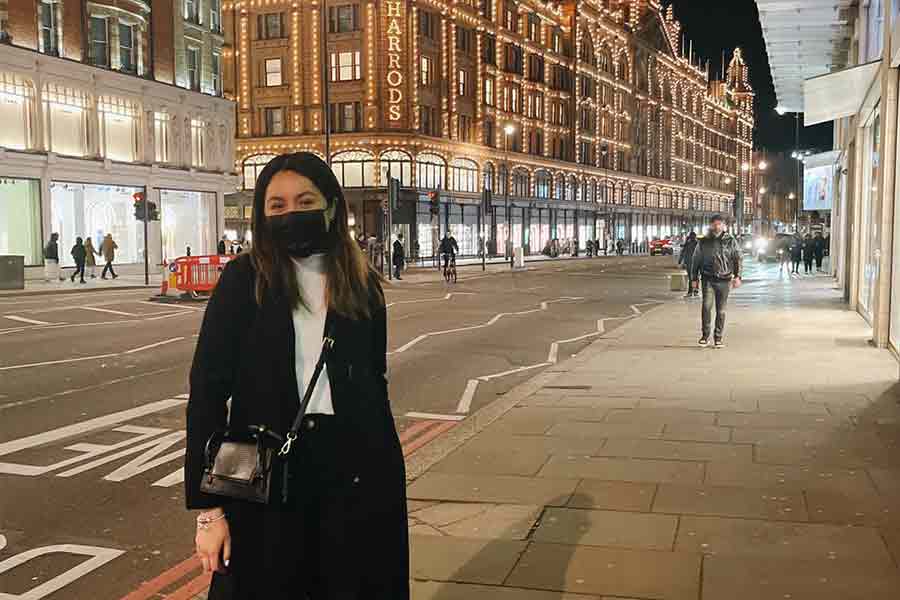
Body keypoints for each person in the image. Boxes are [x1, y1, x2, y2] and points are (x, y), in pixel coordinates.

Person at [184, 152, 408, 600]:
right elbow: (207, 392)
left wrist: (385, 479)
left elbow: (373, 381)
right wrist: (209, 509)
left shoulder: (360, 282)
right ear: (262, 216)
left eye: (305, 201)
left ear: (330, 206)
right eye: (278, 205)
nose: (292, 214)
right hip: (268, 470)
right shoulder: (244, 280)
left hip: (355, 469)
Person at [690, 215, 742, 348]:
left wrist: (738, 276)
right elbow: (696, 260)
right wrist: (694, 278)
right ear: (711, 225)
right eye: (715, 224)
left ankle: (718, 338)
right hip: (708, 278)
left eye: (720, 224)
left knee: (721, 310)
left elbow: (737, 258)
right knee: (706, 307)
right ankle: (705, 336)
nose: (717, 226)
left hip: (725, 280)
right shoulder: (703, 241)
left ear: (724, 226)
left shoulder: (730, 241)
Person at [679, 231, 699, 298]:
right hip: (692, 263)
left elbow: (683, 252)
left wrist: (680, 260)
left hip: (691, 263)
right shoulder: (696, 244)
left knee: (692, 278)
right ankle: (694, 291)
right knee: (694, 278)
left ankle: (691, 292)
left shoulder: (690, 243)